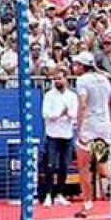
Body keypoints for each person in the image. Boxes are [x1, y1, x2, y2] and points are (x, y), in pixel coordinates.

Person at [72, 52, 111, 219]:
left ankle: (87, 204)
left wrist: (79, 128)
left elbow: (83, 105)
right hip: (103, 127)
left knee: (84, 167)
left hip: (89, 127)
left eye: (77, 64)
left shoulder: (82, 80)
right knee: (103, 166)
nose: (75, 67)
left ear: (83, 66)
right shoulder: (104, 79)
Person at [39, 66, 78, 207]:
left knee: (64, 166)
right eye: (55, 79)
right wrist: (59, 114)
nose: (57, 81)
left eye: (60, 78)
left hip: (67, 136)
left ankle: (59, 194)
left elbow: (75, 114)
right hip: (52, 136)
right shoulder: (49, 95)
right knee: (50, 166)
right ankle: (48, 195)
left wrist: (68, 114)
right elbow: (45, 114)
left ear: (66, 79)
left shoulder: (72, 96)